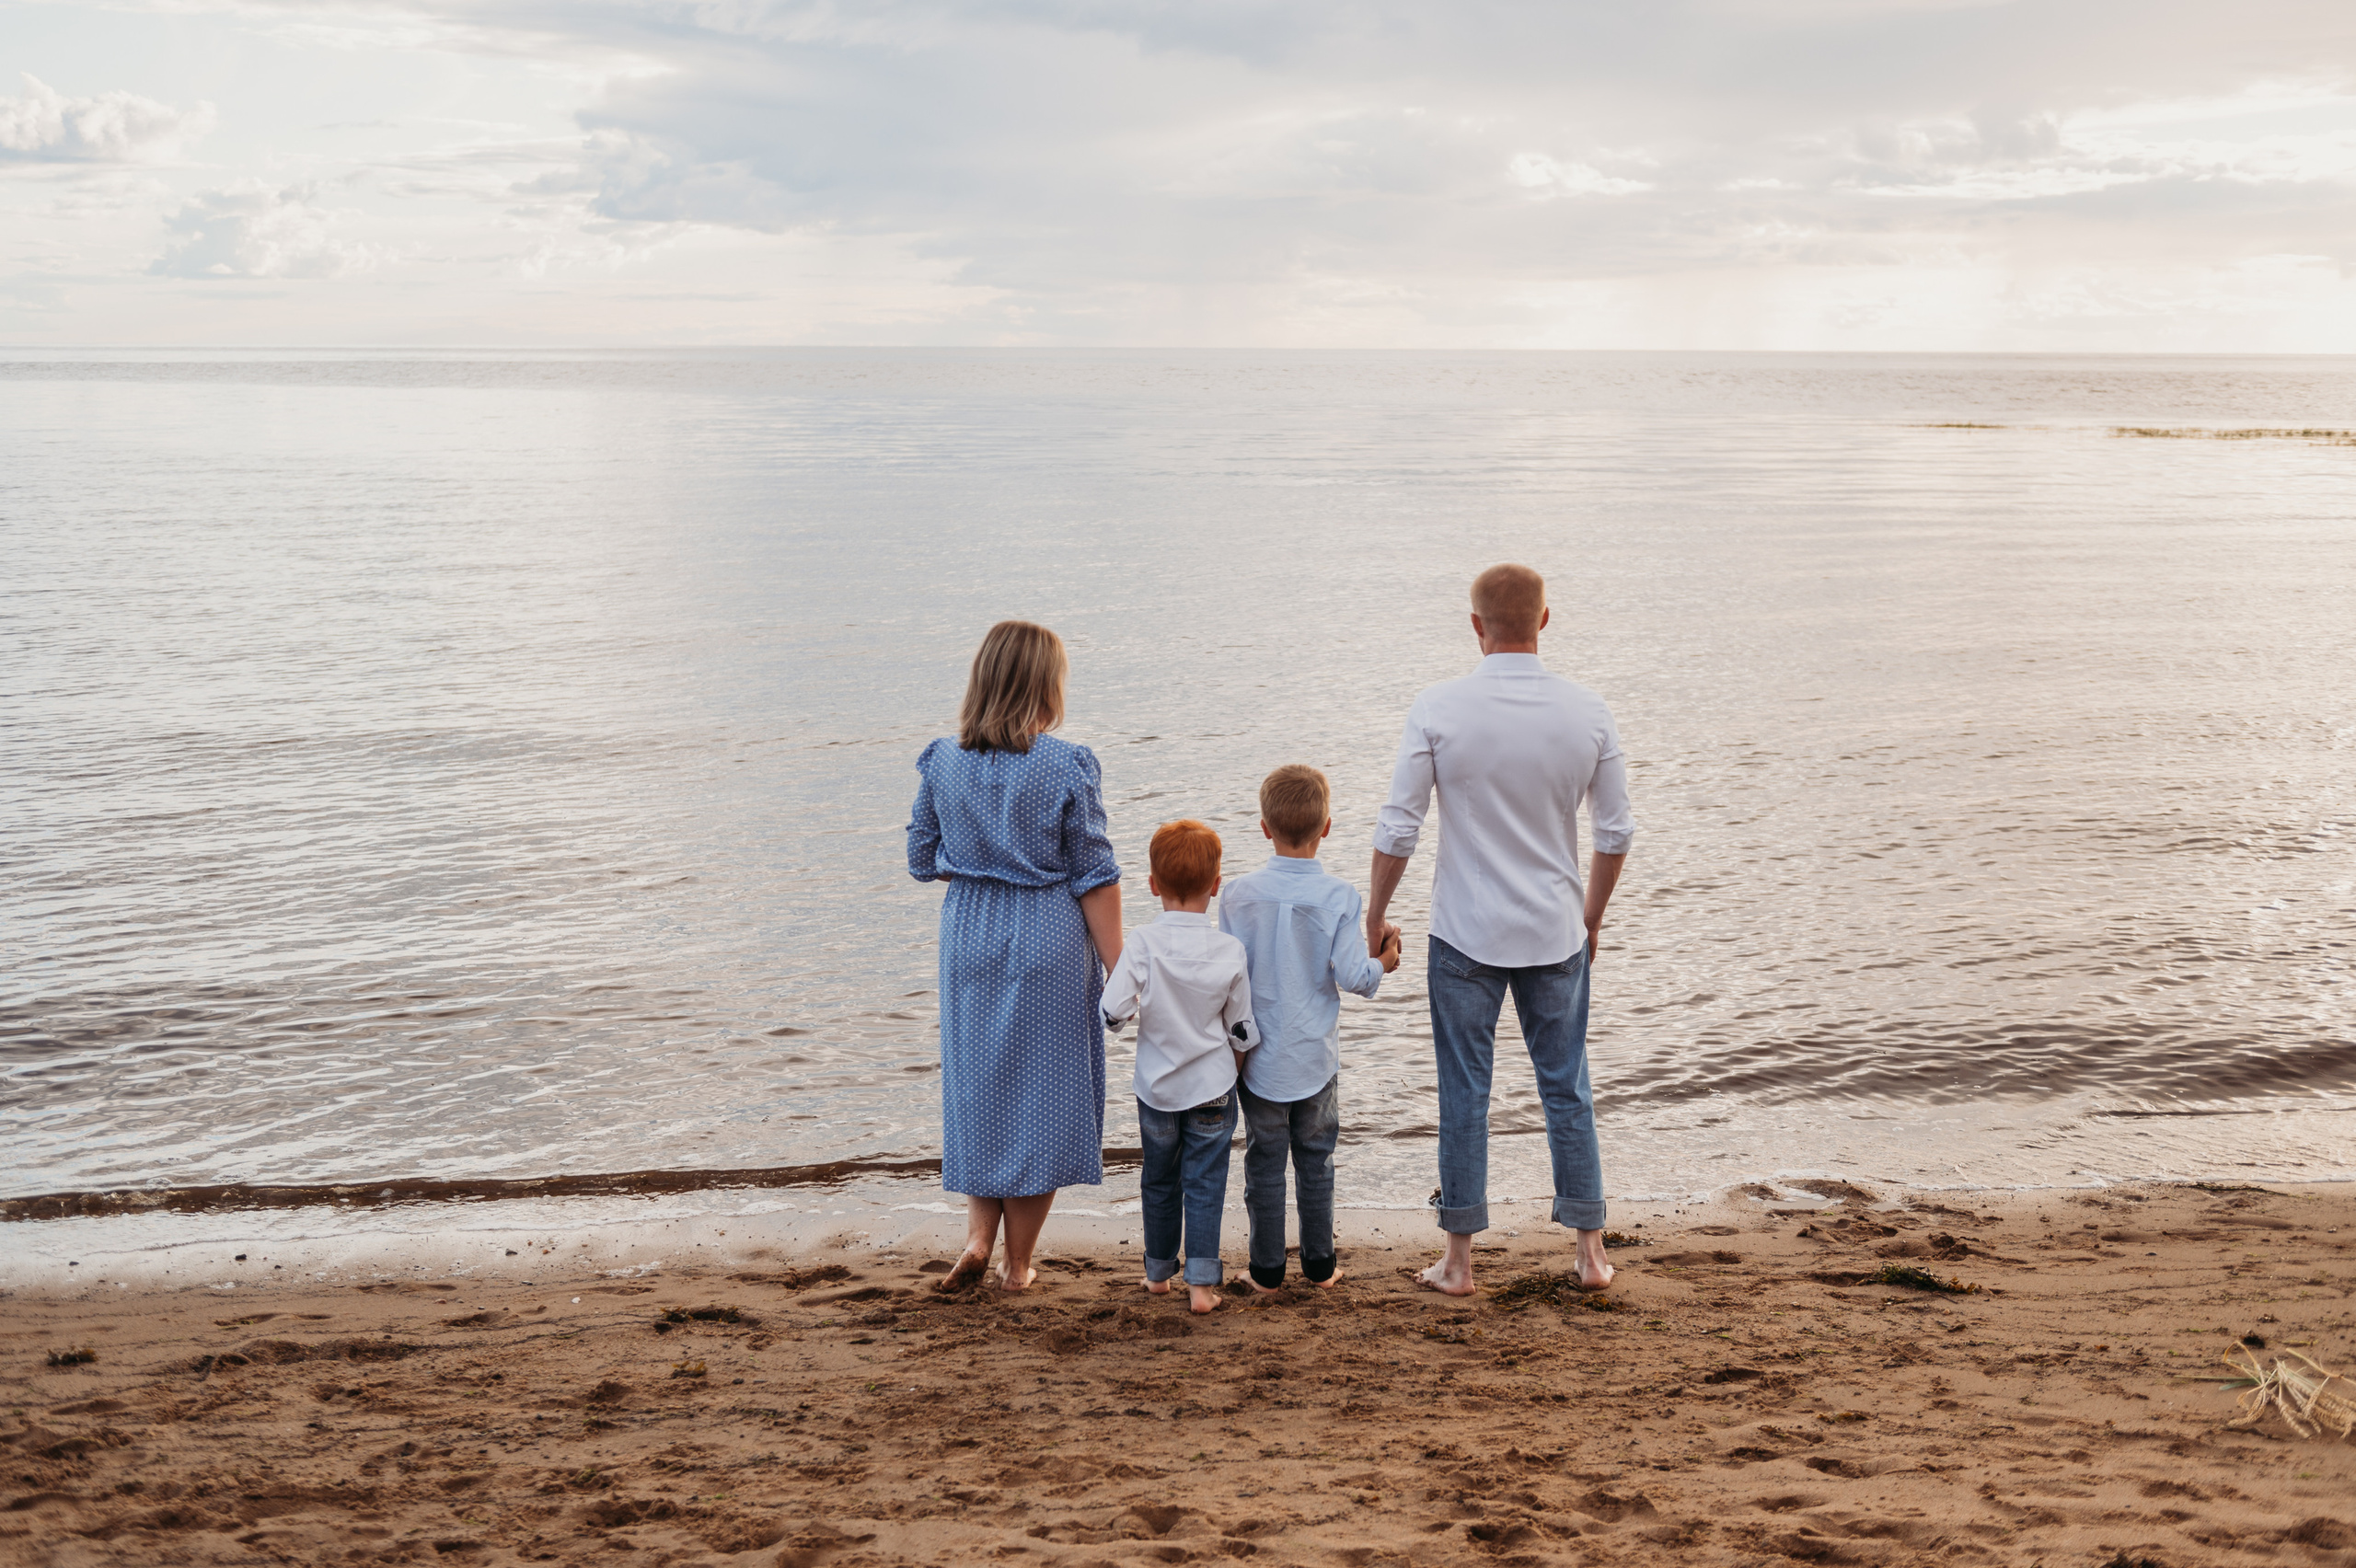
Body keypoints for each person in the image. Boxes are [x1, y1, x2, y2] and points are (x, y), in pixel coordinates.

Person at [1365, 564, 1634, 1297]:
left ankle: (1458, 1263)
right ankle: (1591, 1254)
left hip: (1464, 933)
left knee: (1464, 1094)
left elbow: (1399, 827)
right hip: (1555, 931)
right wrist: (1590, 919)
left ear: (1475, 625)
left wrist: (1374, 916)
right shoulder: (1588, 712)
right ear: (1544, 620)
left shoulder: (1438, 707)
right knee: (1567, 1088)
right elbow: (1615, 832)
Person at [907, 620, 1125, 1293]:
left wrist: (979, 862)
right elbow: (1094, 872)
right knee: (1043, 1098)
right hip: (1045, 932)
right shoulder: (1066, 763)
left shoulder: (942, 760)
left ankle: (978, 1237)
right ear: (1045, 687)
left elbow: (920, 857)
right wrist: (1122, 970)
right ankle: (1017, 1263)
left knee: (980, 1088)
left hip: (970, 933)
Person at [1219, 765, 1400, 1291]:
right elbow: (1354, 978)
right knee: (1316, 1162)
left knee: (1264, 1163)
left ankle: (1266, 1270)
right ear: (1326, 828)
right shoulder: (1340, 897)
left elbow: (1229, 976)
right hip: (1315, 1057)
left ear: (1264, 828)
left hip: (1258, 1057)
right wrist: (1384, 962)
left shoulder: (1236, 894)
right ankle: (1320, 1265)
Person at [1100, 819, 1260, 1314]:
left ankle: (1157, 1273)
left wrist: (1128, 1015)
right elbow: (1243, 1029)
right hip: (1213, 1086)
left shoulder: (1142, 944)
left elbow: (1112, 1011)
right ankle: (1202, 1287)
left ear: (1152, 885)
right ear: (1216, 886)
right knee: (1205, 1184)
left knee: (1159, 1179)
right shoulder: (1230, 950)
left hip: (1157, 1090)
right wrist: (1234, 1070)